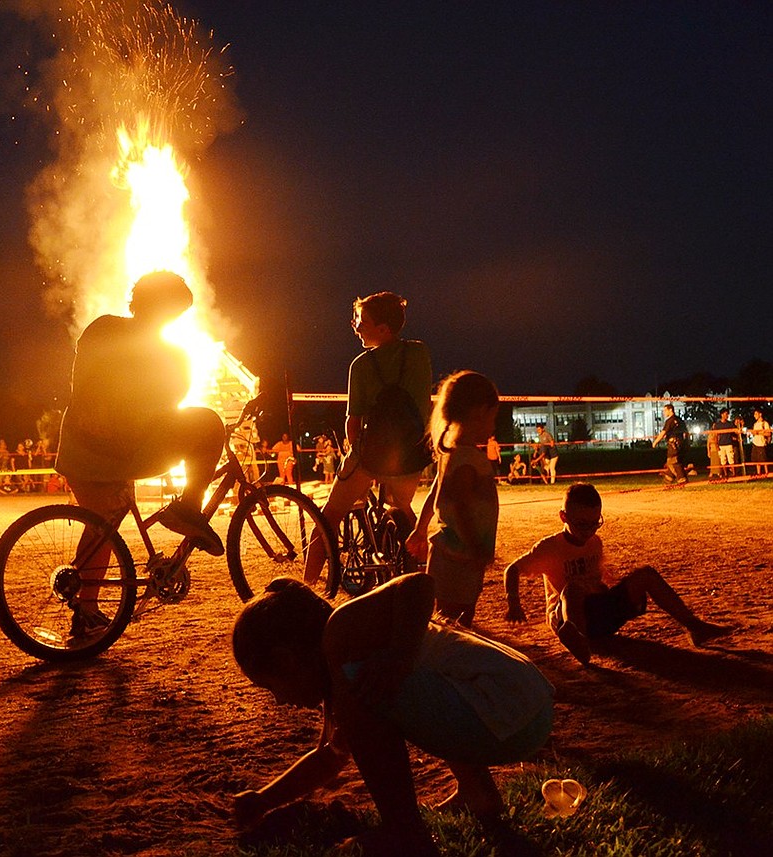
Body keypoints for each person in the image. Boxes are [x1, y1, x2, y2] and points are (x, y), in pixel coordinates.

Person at [232, 574, 553, 855]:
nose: (279, 701)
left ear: (286, 660)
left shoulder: (340, 632)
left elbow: (419, 585)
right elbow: (329, 757)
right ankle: (479, 794)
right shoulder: (343, 670)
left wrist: (401, 656)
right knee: (364, 689)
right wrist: (263, 799)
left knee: (359, 689)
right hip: (521, 710)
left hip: (504, 702)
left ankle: (404, 831)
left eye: (271, 687)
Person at [54, 271, 225, 636]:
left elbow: (81, 386)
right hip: (121, 447)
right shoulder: (170, 353)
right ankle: (187, 508)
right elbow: (168, 404)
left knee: (103, 522)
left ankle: (85, 610)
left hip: (79, 445)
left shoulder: (100, 329)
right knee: (210, 425)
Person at [503, 482, 731, 665]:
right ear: (564, 517)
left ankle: (694, 626)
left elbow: (598, 575)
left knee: (646, 574)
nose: (589, 530)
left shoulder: (594, 541)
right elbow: (512, 569)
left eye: (595, 523)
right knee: (572, 588)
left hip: (599, 613)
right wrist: (514, 603)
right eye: (582, 524)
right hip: (566, 616)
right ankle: (578, 641)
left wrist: (612, 585)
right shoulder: (550, 547)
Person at [304, 292, 433, 587]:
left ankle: (305, 585)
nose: (356, 327)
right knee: (402, 509)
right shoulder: (418, 353)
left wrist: (356, 453)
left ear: (382, 329)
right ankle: (423, 578)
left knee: (328, 518)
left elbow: (353, 422)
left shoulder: (361, 365)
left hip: (371, 456)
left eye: (361, 321)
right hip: (411, 454)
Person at [406, 372, 501, 627]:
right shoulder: (468, 459)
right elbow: (460, 506)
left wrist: (420, 528)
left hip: (448, 554)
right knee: (458, 621)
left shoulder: (453, 453)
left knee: (447, 618)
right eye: (493, 417)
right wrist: (475, 548)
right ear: (479, 412)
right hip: (460, 557)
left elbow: (435, 492)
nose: (493, 426)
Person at [651, 403, 688, 485]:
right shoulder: (680, 420)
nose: (664, 412)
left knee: (672, 461)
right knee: (674, 461)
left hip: (673, 445)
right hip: (680, 444)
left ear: (670, 410)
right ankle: (668, 479)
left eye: (665, 410)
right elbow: (686, 433)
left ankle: (682, 478)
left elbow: (663, 432)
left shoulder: (670, 421)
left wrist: (655, 442)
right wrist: (686, 443)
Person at [709, 409, 736, 479]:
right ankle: (726, 474)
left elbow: (734, 432)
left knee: (731, 459)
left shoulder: (730, 424)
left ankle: (733, 473)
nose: (727, 415)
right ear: (722, 415)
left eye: (727, 414)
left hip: (729, 443)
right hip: (721, 444)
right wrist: (716, 445)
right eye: (725, 414)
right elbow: (715, 436)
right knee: (723, 460)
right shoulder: (718, 425)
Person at [750, 409, 770, 475]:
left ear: (760, 414)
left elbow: (768, 434)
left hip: (761, 444)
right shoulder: (755, 424)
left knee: (763, 460)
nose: (754, 416)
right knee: (756, 460)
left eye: (756, 414)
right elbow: (754, 433)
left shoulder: (765, 423)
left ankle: (766, 473)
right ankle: (759, 473)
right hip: (755, 443)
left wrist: (758, 433)